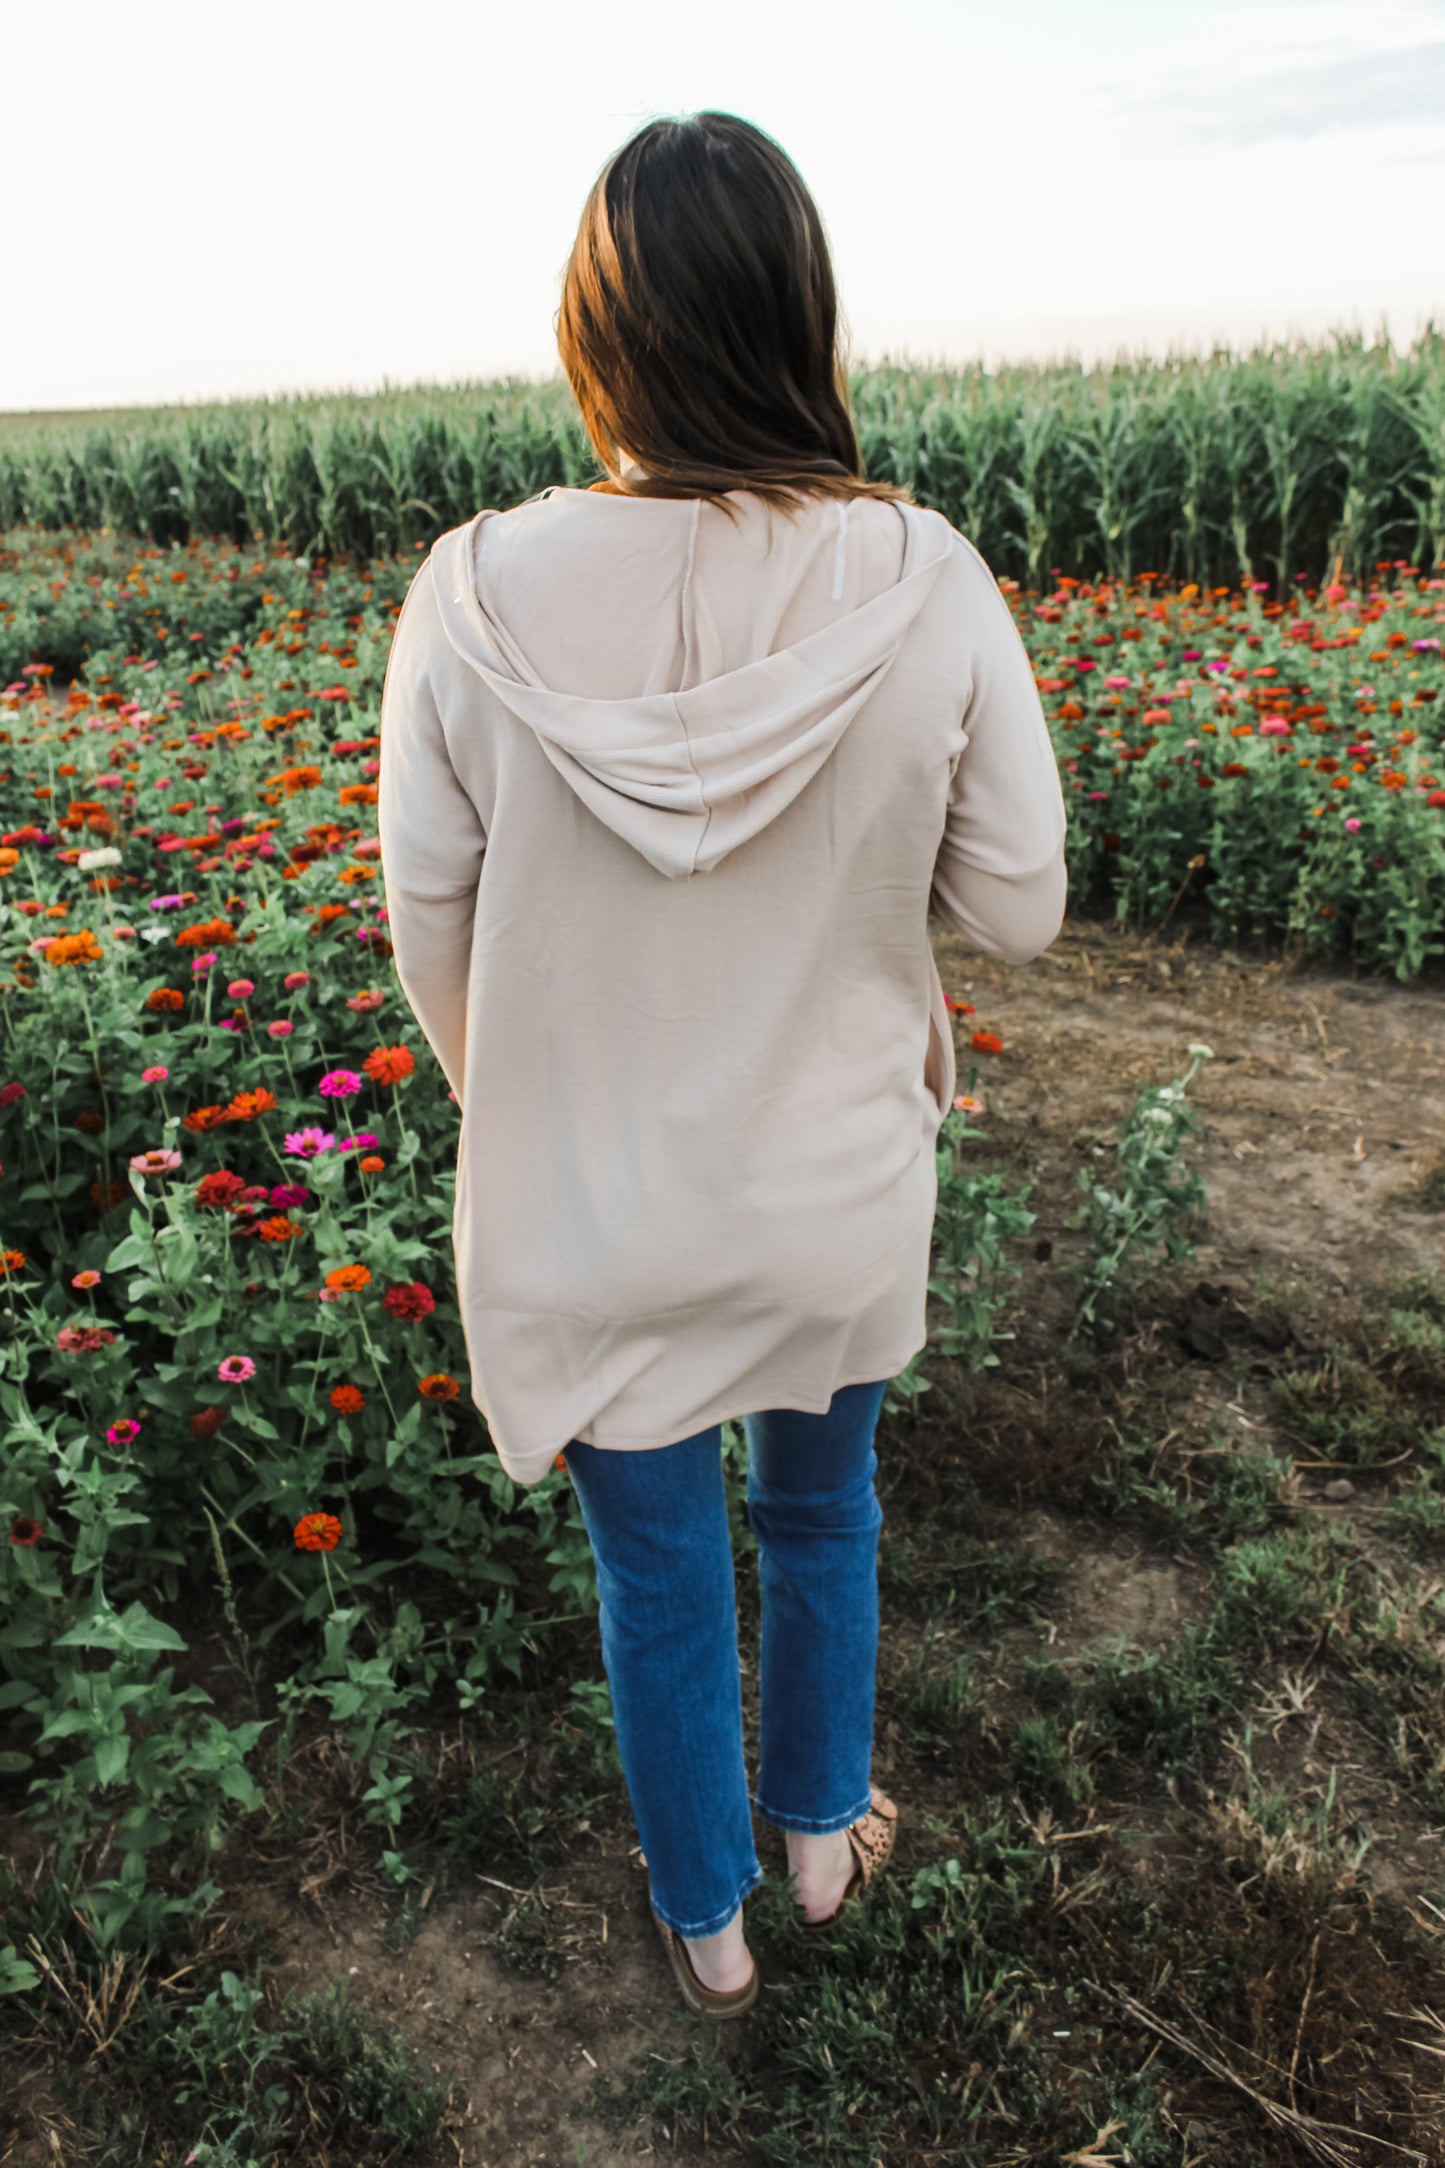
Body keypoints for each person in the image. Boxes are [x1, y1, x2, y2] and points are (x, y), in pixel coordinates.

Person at [376, 110, 1068, 2020]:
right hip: (827, 1189)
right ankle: (824, 1841)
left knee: (661, 1575)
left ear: (593, 331)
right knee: (823, 1511)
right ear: (800, 315)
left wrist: (521, 1106)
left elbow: (428, 922)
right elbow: (1019, 903)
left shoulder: (469, 592)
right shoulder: (923, 574)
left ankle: (707, 1929)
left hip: (585, 1204)